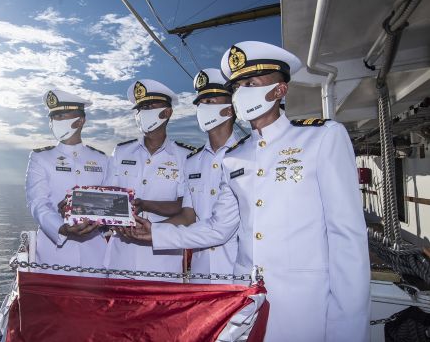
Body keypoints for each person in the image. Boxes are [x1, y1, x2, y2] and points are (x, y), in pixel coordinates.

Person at [128, 41, 371, 341]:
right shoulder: (236, 157)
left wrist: (346, 330)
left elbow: (347, 240)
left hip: (303, 309)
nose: (242, 91)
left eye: (251, 83)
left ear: (280, 90)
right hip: (245, 304)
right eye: (237, 86)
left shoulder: (321, 138)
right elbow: (219, 228)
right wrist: (155, 232)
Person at [104, 79, 195, 281]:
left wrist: (145, 204)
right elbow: (107, 198)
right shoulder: (121, 152)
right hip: (121, 260)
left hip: (163, 264)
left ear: (167, 112)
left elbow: (184, 207)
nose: (142, 113)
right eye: (140, 108)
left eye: (149, 107)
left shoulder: (186, 157)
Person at [163, 68, 244, 283]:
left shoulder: (248, 155)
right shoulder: (192, 162)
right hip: (201, 272)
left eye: (210, 101)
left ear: (229, 109)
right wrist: (151, 229)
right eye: (200, 103)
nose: (202, 108)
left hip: (238, 270)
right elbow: (189, 216)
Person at [25, 90, 109, 275]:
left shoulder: (102, 160)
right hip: (53, 257)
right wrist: (62, 228)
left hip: (94, 257)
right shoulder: (41, 158)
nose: (55, 121)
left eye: (61, 116)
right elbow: (38, 202)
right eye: (53, 117)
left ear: (80, 121)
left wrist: (102, 222)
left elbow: (110, 203)